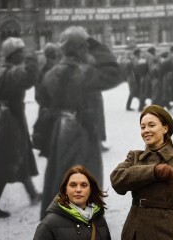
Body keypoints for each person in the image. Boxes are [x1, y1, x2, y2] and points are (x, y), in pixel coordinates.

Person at [38, 26, 121, 220]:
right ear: (79, 48)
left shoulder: (51, 73)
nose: (87, 49)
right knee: (84, 177)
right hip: (81, 129)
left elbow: (43, 99)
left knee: (61, 174)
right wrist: (97, 46)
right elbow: (114, 73)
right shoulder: (84, 73)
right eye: (84, 45)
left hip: (61, 128)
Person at [110, 105, 173, 239]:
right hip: (134, 233)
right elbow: (117, 180)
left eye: (151, 125)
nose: (146, 130)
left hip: (166, 233)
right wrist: (154, 171)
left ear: (165, 129)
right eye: (143, 127)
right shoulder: (134, 157)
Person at [0, 37, 40, 220]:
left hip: (8, 117)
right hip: (11, 121)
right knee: (8, 160)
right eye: (21, 52)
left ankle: (32, 193)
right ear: (13, 55)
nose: (24, 54)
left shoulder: (3, 71)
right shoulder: (13, 72)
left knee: (19, 155)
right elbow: (30, 78)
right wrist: (33, 59)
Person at [33, 165, 111, 240]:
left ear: (90, 190)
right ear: (65, 190)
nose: (78, 190)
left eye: (84, 185)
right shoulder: (48, 225)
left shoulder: (99, 220)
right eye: (73, 185)